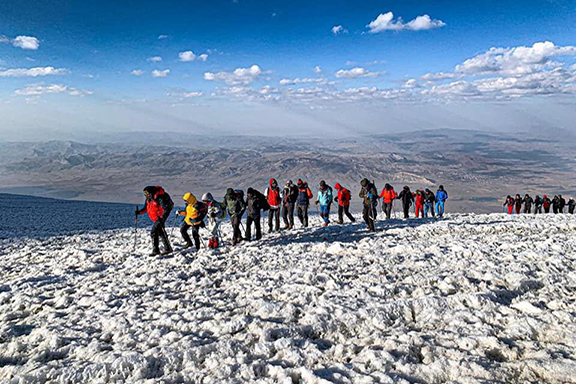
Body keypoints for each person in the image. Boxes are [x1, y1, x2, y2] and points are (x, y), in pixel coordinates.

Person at [136, 185, 174, 256]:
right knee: (161, 232)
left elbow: (166, 209)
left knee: (153, 232)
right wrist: (139, 212)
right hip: (157, 218)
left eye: (147, 194)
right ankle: (168, 248)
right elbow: (146, 208)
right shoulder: (149, 199)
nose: (146, 196)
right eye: (145, 195)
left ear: (151, 193)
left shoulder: (160, 198)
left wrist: (162, 217)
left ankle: (156, 250)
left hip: (160, 218)